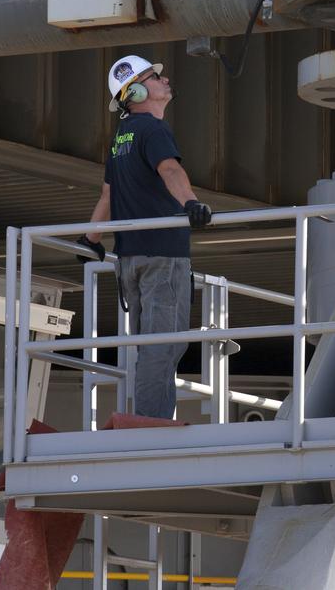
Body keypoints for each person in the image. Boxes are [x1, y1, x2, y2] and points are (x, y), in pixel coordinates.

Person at [78, 55, 213, 419]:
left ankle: (149, 419)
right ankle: (150, 425)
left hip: (130, 260)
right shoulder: (153, 130)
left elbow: (107, 195)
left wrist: (91, 238)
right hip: (162, 257)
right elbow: (169, 167)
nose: (166, 79)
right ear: (137, 90)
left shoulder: (120, 137)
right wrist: (192, 203)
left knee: (150, 345)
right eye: (156, 76)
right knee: (161, 347)